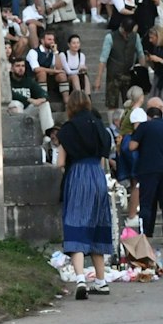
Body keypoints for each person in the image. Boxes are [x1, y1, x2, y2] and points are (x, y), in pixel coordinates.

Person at [56, 90, 115, 296]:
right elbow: (104, 156)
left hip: (78, 175)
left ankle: (80, 279)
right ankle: (101, 281)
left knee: (76, 223)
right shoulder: (99, 126)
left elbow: (60, 162)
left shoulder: (68, 129)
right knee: (98, 224)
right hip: (97, 175)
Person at [130, 97, 163, 247]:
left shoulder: (144, 127)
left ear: (148, 115)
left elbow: (132, 146)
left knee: (146, 203)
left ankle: (145, 235)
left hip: (147, 169)